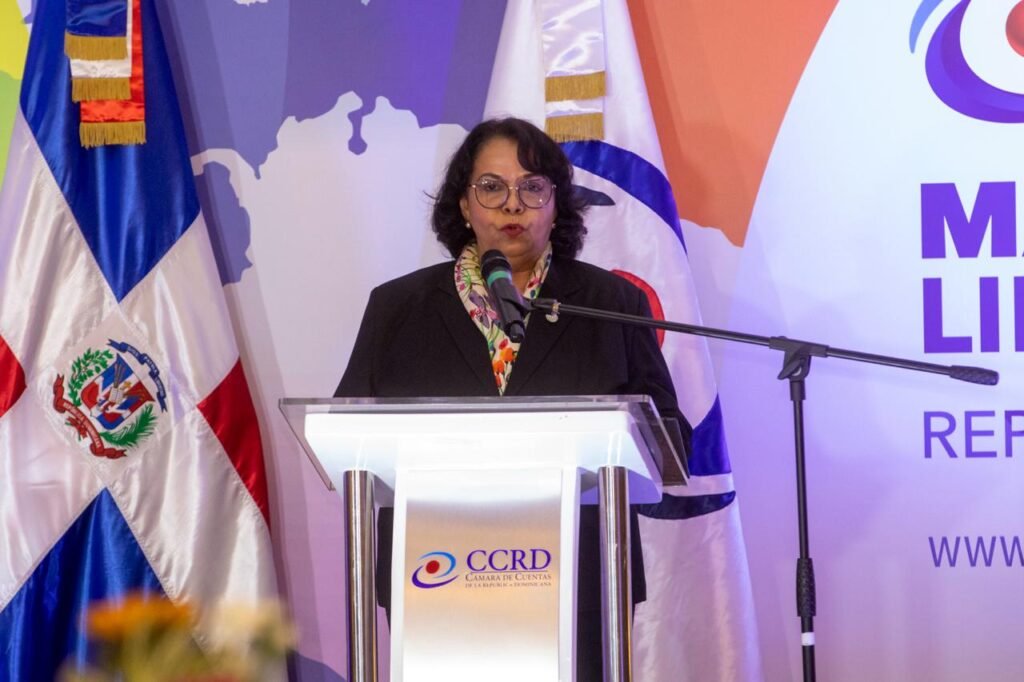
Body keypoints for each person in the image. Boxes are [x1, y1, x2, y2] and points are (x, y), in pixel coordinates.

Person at [334, 117, 690, 680]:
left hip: (580, 577)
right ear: (463, 204)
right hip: (436, 576)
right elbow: (350, 433)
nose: (512, 204)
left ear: (556, 204)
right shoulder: (398, 308)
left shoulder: (609, 302)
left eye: (532, 187)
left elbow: (671, 439)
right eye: (491, 187)